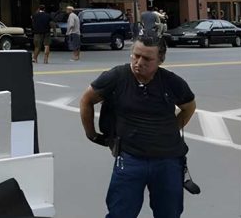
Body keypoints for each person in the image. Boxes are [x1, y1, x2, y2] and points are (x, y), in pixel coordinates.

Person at [79, 36, 196, 218]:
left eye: (147, 59)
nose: (139, 62)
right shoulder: (117, 77)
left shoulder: (172, 82)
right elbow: (87, 99)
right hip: (130, 159)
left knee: (169, 213)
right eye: (136, 55)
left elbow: (189, 107)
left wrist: (170, 130)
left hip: (168, 161)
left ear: (160, 60)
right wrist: (91, 134)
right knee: (120, 213)